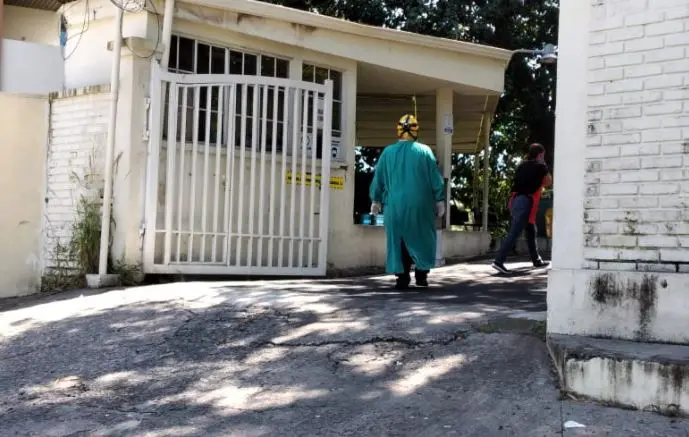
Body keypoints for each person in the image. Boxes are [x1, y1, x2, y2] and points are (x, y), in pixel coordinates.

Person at [369, 114, 446, 289]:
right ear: (416, 130)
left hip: (394, 206)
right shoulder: (425, 151)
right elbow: (435, 178)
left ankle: (402, 278)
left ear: (398, 131)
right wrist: (440, 200)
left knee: (398, 241)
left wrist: (376, 200)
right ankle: (421, 275)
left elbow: (378, 178)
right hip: (421, 205)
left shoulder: (387, 152)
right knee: (423, 237)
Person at [492, 143, 552, 274]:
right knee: (515, 232)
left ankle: (536, 260)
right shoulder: (541, 167)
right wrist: (544, 165)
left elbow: (517, 183)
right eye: (543, 155)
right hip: (526, 202)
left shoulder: (522, 166)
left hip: (516, 200)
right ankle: (498, 261)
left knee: (531, 230)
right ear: (540, 154)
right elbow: (548, 182)